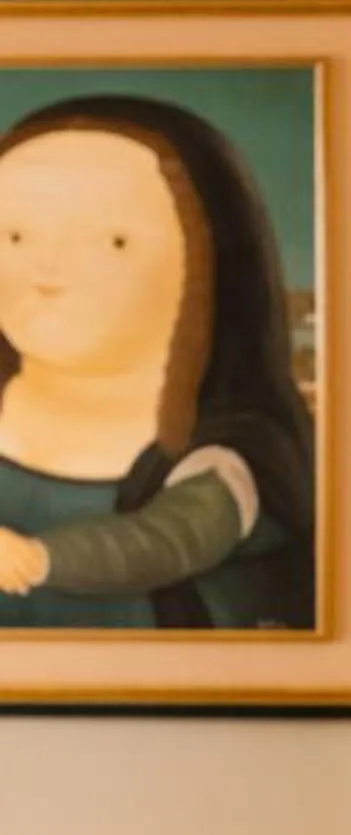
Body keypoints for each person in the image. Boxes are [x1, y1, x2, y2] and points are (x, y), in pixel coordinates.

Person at [0, 95, 315, 628]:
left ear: (204, 265)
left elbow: (173, 539)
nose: (46, 269)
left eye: (114, 241)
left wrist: (38, 559)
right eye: (14, 236)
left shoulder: (230, 456)